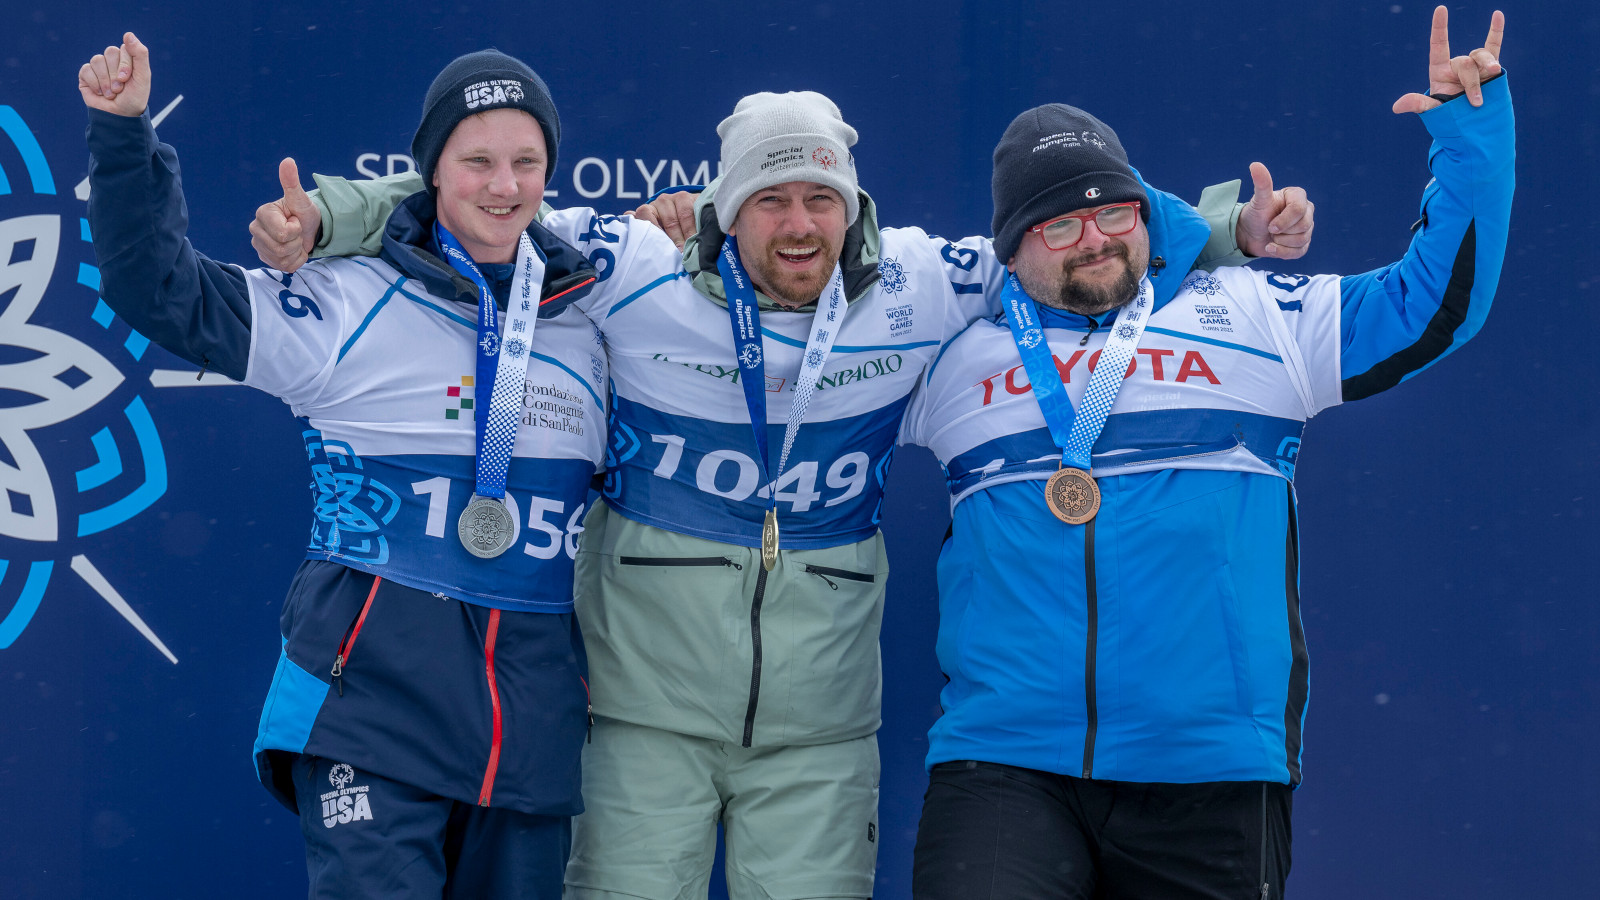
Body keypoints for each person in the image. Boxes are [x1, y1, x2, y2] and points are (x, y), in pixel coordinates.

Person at [254, 94, 1312, 900]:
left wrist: (1220, 230)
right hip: (640, 715)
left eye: (820, 197)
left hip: (818, 724)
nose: (798, 221)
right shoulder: (634, 262)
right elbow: (483, 201)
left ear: (852, 206)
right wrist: (328, 216)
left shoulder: (919, 281)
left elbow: (1069, 233)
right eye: (769, 198)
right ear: (726, 209)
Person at [896, 7, 1512, 897]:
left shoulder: (1257, 313)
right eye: (1061, 225)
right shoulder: (954, 355)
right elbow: (805, 330)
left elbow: (1435, 304)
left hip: (1211, 765)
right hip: (1005, 764)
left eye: (1115, 212)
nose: (1098, 238)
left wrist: (1471, 137)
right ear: (1011, 248)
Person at [80, 35, 608, 899]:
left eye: (526, 161)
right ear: (431, 171)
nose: (504, 185)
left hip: (529, 732)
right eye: (476, 160)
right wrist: (124, 136)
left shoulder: (595, 313)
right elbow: (160, 292)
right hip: (372, 711)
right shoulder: (348, 300)